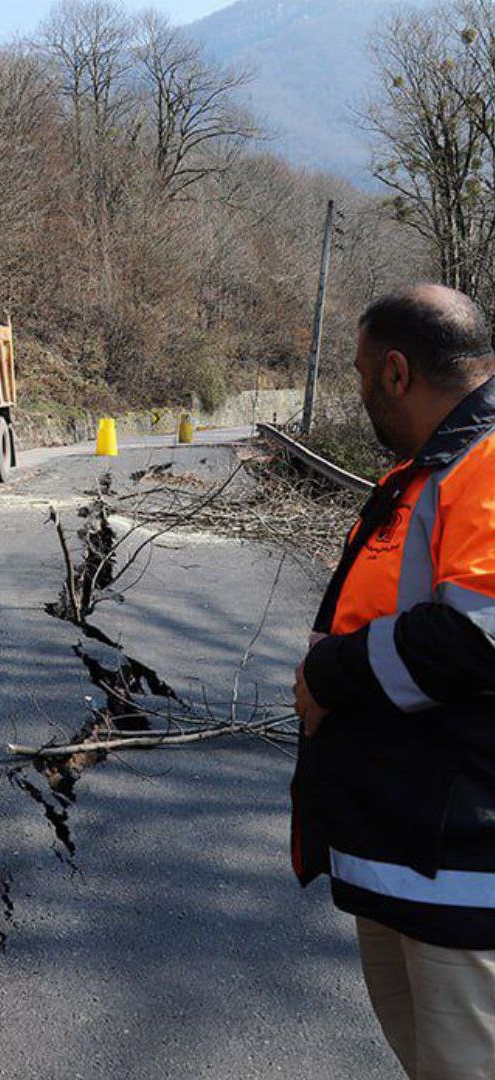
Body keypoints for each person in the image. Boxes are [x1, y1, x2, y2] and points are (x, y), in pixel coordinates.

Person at [292, 283, 495, 1079]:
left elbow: (480, 632)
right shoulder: (429, 471)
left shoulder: (483, 464)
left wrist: (330, 672)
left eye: (360, 374)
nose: (361, 390)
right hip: (409, 852)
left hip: (463, 859)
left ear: (397, 373)